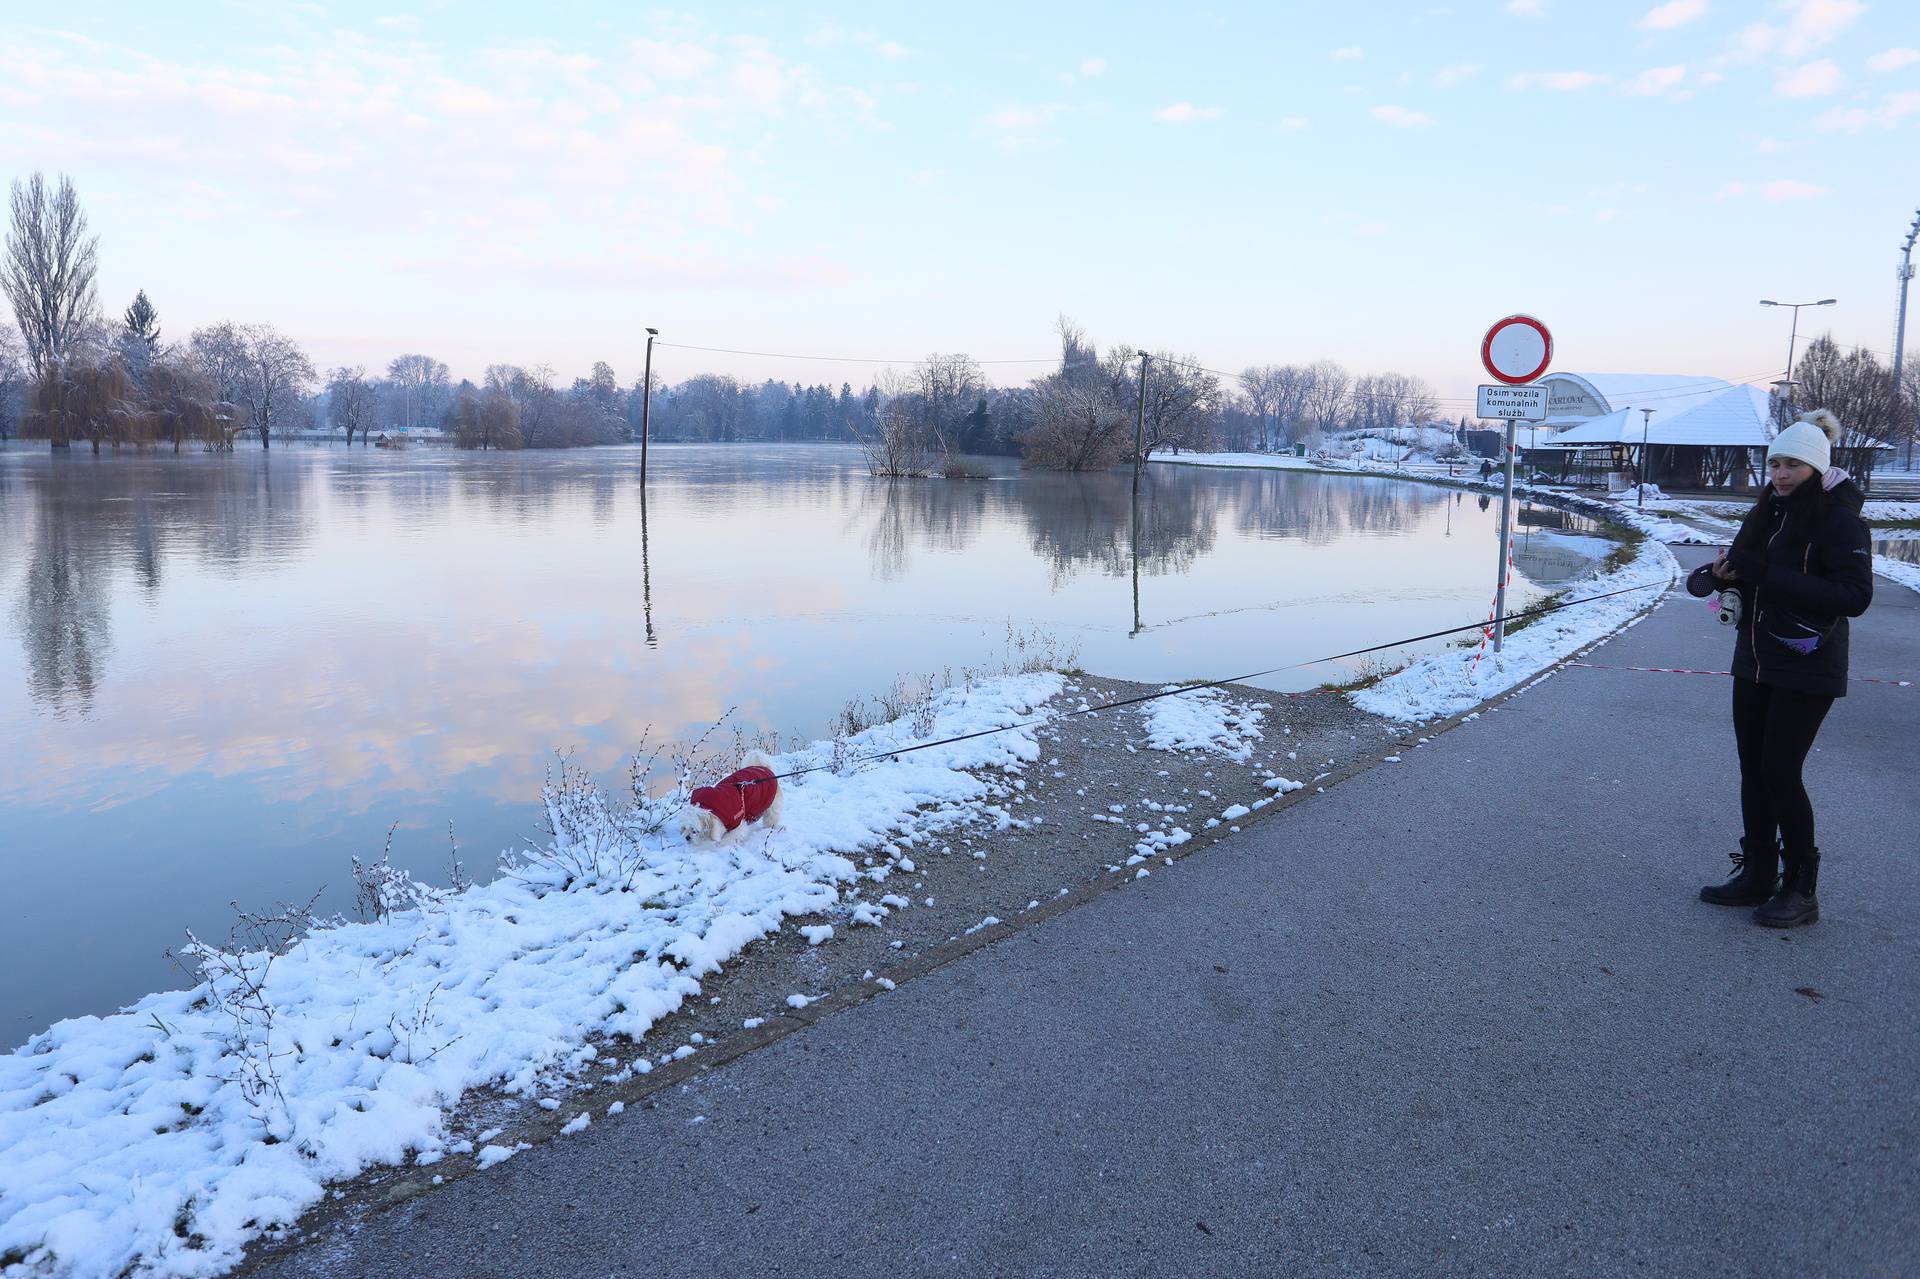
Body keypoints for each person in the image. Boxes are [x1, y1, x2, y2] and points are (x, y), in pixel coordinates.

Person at [1685, 409, 1872, 927]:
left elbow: (1854, 596)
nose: (1782, 475)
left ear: (1816, 466)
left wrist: (1768, 574)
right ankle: (1759, 873)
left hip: (1809, 663)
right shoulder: (1768, 511)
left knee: (1780, 771)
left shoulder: (1840, 519)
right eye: (1775, 465)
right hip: (1755, 658)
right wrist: (1716, 577)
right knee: (1753, 769)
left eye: (1793, 465)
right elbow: (1748, 570)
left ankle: (1801, 887)